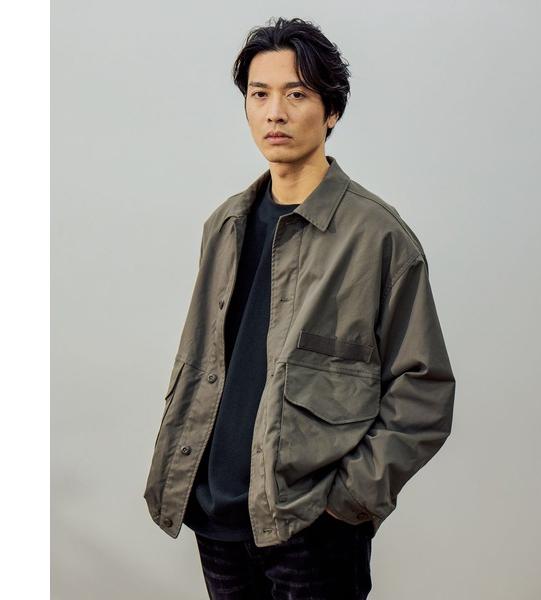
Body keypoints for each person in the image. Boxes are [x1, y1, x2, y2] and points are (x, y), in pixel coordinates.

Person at [143, 16, 456, 600]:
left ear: (331, 111)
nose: (275, 113)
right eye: (259, 94)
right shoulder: (225, 224)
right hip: (216, 515)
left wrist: (347, 502)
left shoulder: (377, 237)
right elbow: (205, 360)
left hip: (312, 530)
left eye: (296, 95)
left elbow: (424, 390)